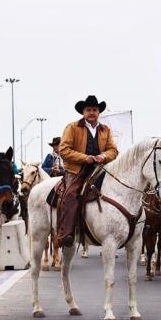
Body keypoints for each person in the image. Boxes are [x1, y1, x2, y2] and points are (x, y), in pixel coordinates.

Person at [57, 95, 118, 247]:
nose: (92, 112)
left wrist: (103, 156)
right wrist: (85, 158)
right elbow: (63, 150)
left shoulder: (106, 130)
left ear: (99, 112)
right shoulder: (72, 127)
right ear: (83, 112)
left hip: (101, 169)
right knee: (71, 194)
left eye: (94, 110)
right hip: (77, 170)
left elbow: (113, 150)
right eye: (88, 110)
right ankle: (67, 233)